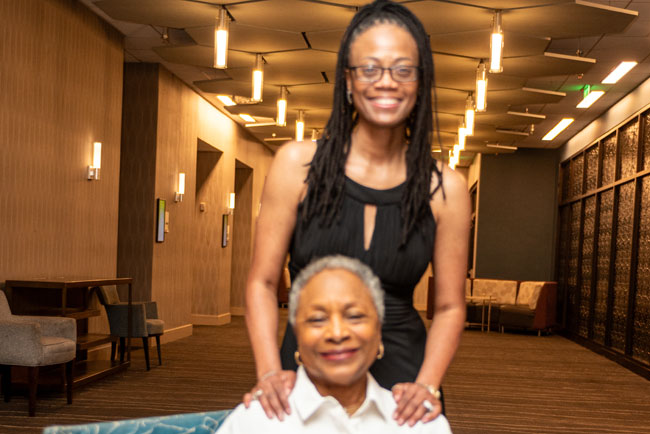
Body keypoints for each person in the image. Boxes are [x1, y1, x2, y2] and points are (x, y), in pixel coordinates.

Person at [244, 0, 470, 426]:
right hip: (306, 364)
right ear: (348, 80)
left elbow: (450, 307)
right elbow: (262, 280)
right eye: (370, 68)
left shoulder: (446, 189)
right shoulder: (297, 166)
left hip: (404, 379)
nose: (387, 82)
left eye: (403, 70)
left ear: (420, 83)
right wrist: (269, 371)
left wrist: (427, 384)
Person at [220, 256, 452, 433]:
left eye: (355, 316)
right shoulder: (254, 422)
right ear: (297, 335)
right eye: (317, 319)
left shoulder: (422, 424)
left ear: (379, 331)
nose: (338, 333)